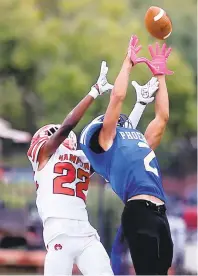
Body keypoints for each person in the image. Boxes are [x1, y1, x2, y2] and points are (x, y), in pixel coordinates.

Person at [27, 57, 158, 275]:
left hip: (85, 233)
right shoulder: (45, 157)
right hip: (59, 233)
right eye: (51, 132)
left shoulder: (82, 157)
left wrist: (140, 105)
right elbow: (67, 126)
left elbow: (116, 141)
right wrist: (94, 91)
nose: (56, 133)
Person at [80, 35, 174, 275]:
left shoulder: (138, 141)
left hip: (161, 213)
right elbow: (117, 97)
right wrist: (128, 64)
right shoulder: (107, 142)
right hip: (140, 211)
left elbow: (162, 117)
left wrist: (160, 75)